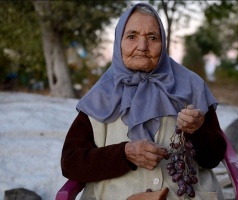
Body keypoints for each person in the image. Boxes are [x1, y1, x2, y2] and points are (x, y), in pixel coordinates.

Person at [61, 3, 227, 200]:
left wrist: (196, 132)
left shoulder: (192, 86)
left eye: (152, 38)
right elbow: (71, 163)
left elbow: (214, 157)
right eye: (131, 37)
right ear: (118, 42)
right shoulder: (100, 95)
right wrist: (124, 153)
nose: (142, 47)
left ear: (163, 43)